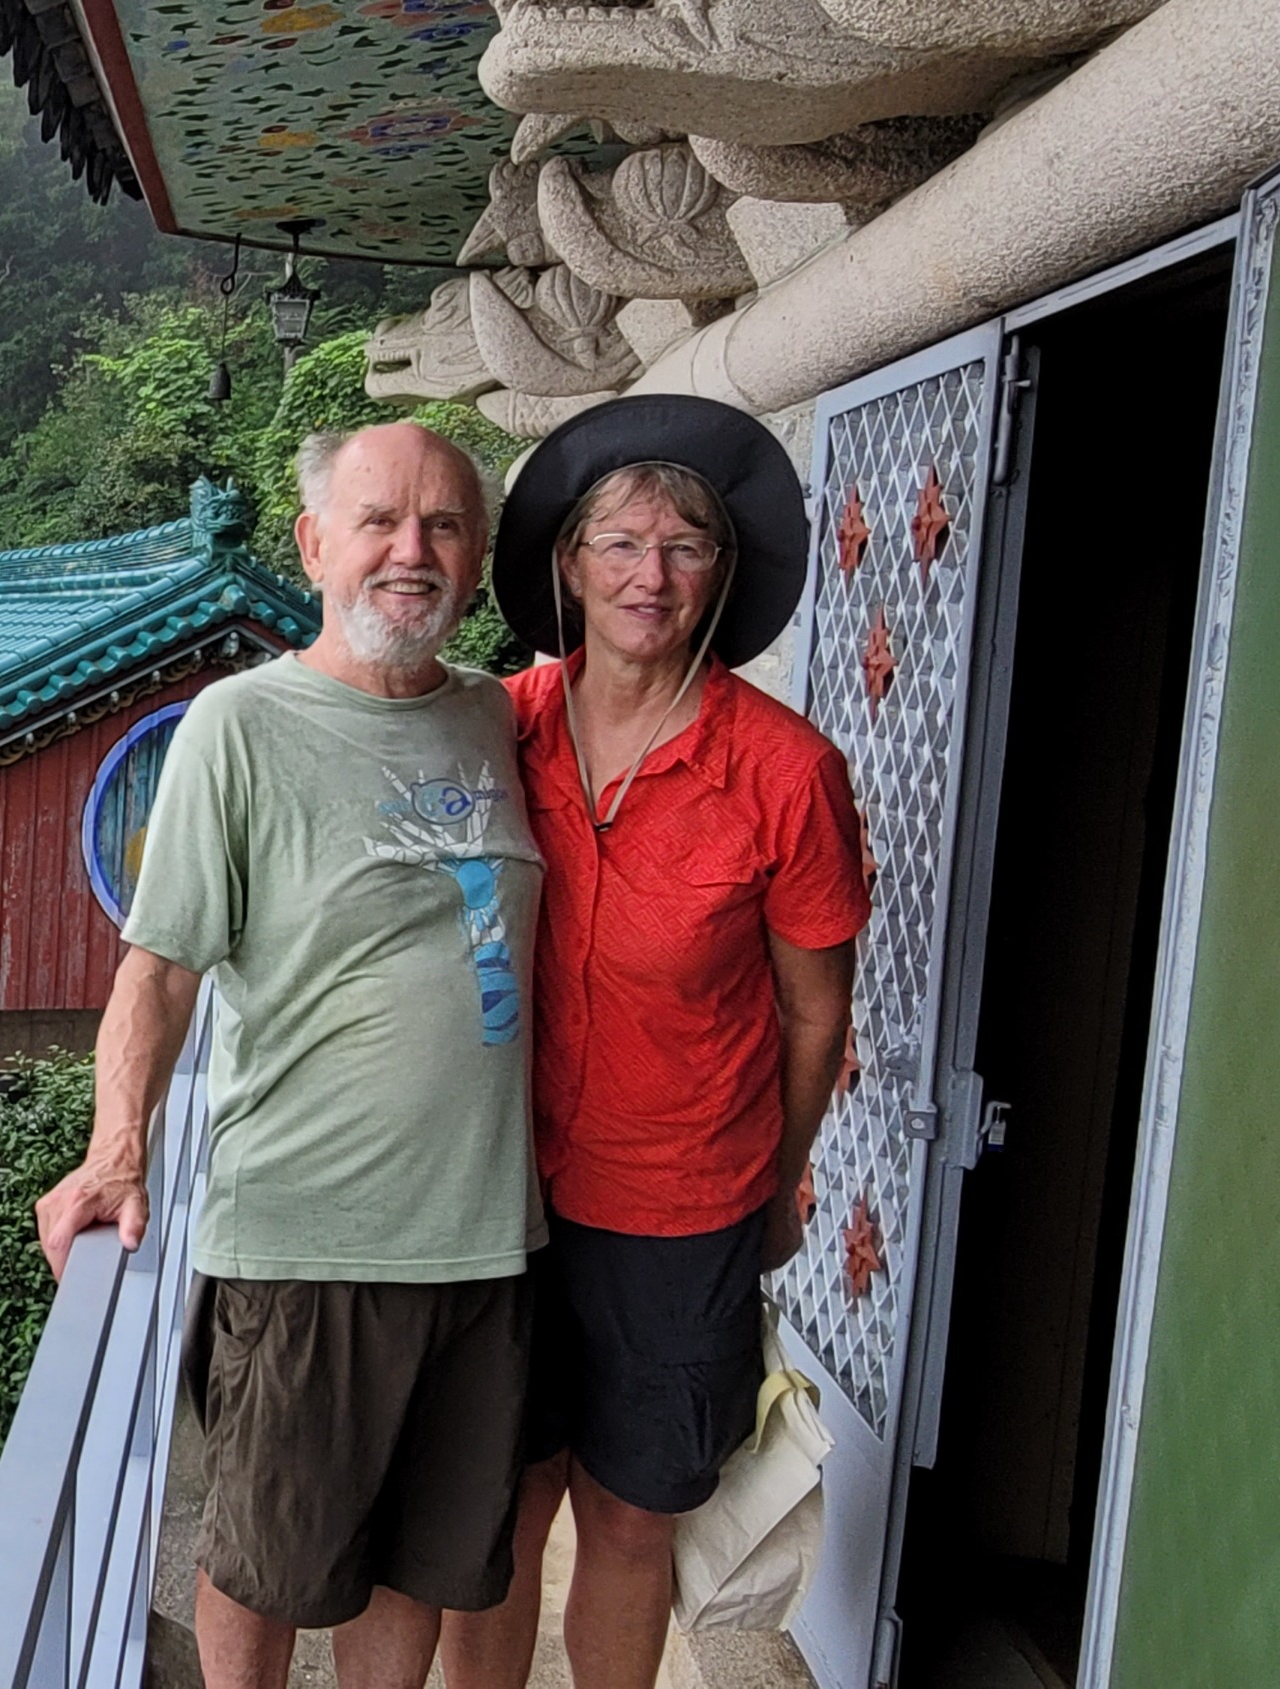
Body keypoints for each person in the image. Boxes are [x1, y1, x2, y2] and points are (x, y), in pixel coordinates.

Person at [36, 421, 546, 1689]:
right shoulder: (240, 725)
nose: (408, 553)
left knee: (423, 1566)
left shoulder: (498, 716)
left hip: (487, 1241)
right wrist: (116, 1151)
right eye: (378, 523)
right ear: (317, 545)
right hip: (309, 1240)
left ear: (476, 560)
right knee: (266, 1563)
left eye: (440, 527)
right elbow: (157, 968)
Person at [439, 395, 867, 1689]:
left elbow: (814, 1011)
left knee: (629, 1518)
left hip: (683, 1209)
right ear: (567, 564)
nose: (651, 573)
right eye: (620, 542)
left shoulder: (785, 772)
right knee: (499, 1518)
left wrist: (775, 1181)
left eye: (686, 546)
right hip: (493, 1193)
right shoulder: (493, 728)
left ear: (724, 576)